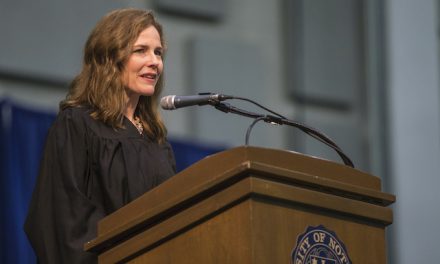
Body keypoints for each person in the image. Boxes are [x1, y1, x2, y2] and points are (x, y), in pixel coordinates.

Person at [24, 8, 176, 263]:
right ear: (110, 56)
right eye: (141, 50)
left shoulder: (156, 140)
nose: (155, 61)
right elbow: (64, 219)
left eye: (158, 52)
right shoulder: (78, 125)